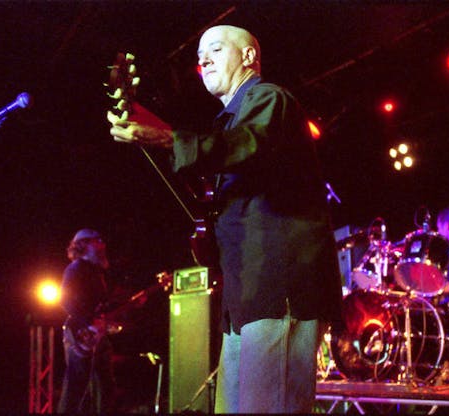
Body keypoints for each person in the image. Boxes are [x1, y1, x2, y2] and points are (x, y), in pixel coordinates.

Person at [108, 25, 341, 413]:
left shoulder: (269, 98)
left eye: (214, 49)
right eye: (199, 56)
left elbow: (247, 146)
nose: (202, 60)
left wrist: (168, 140)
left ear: (249, 57)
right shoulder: (229, 123)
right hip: (246, 292)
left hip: (276, 285)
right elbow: (224, 164)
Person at [57, 228, 115, 413]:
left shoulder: (96, 272)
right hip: (81, 333)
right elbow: (65, 300)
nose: (102, 244)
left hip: (95, 334)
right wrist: (87, 324)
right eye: (97, 240)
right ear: (84, 245)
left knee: (104, 386)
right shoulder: (76, 268)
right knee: (77, 385)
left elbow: (98, 306)